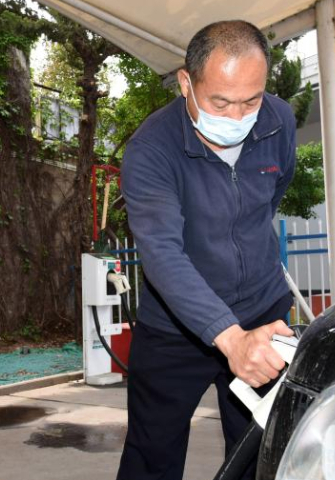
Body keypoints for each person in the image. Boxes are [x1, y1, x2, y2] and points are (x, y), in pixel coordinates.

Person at [117, 20, 297, 480]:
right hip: (175, 327)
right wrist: (229, 338)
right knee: (151, 454)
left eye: (250, 101)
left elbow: (270, 201)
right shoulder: (151, 149)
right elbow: (162, 253)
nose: (237, 117)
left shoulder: (279, 121)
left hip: (263, 314)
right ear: (186, 83)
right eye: (220, 102)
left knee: (261, 449)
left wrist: (248, 334)